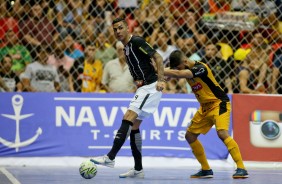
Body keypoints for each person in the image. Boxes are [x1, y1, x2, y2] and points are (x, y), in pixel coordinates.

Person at [90, 17, 165, 178]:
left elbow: (158, 57)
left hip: (151, 86)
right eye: (115, 29)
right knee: (135, 127)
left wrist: (161, 80)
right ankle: (138, 170)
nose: (118, 31)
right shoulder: (126, 49)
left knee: (128, 117)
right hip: (143, 88)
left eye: (120, 28)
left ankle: (110, 157)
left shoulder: (137, 41)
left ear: (127, 29)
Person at [164, 50, 248, 179]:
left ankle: (241, 168)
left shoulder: (201, 68)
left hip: (219, 103)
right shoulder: (183, 66)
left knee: (222, 133)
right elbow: (174, 71)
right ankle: (206, 169)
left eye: (179, 67)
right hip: (205, 108)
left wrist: (161, 70)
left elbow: (181, 73)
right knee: (190, 136)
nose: (178, 70)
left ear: (185, 62)